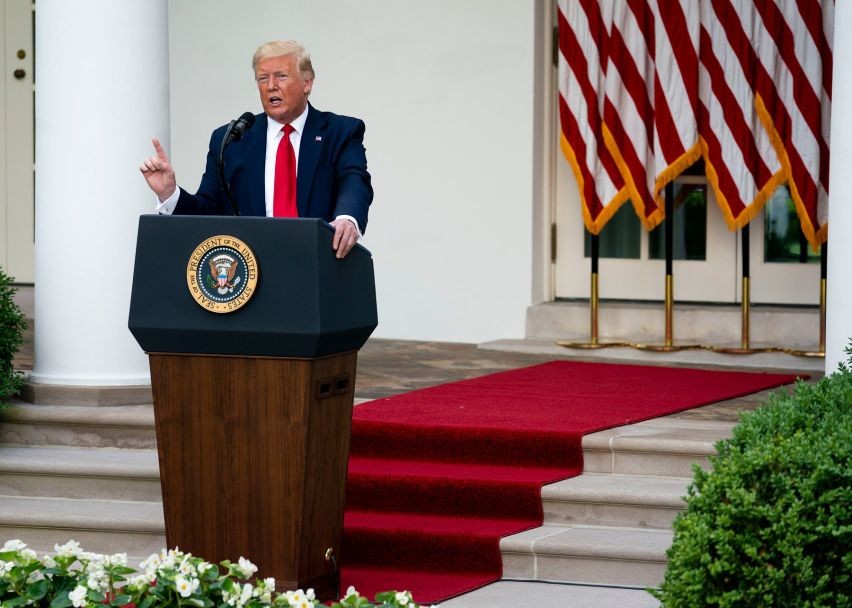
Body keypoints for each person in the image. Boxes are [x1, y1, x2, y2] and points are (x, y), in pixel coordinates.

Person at [140, 40, 372, 259]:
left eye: (281, 76)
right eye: (263, 78)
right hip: (250, 276)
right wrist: (169, 194)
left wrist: (347, 218)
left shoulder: (340, 132)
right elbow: (207, 212)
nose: (271, 86)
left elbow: (355, 180)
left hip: (319, 263)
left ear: (307, 82)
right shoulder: (230, 139)